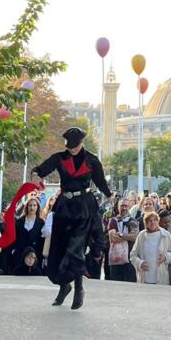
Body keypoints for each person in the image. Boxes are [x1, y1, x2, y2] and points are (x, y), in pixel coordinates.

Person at [30, 127, 113, 310]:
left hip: (83, 208)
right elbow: (40, 169)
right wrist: (35, 175)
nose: (72, 149)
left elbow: (100, 181)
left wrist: (109, 195)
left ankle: (79, 289)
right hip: (64, 208)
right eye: (70, 146)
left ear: (82, 142)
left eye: (75, 146)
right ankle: (64, 286)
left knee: (76, 250)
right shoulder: (59, 158)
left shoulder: (92, 160)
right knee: (59, 250)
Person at [130, 211, 171, 285]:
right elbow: (133, 255)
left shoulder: (165, 234)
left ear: (158, 221)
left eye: (155, 220)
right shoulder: (141, 235)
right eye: (150, 221)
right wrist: (140, 263)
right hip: (144, 279)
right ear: (146, 223)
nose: (153, 223)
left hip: (161, 279)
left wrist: (165, 257)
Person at [107, 198, 137, 282]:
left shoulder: (133, 221)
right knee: (116, 284)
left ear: (129, 207)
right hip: (116, 258)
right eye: (122, 206)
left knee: (130, 284)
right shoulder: (113, 220)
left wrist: (120, 234)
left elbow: (134, 237)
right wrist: (128, 236)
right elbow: (113, 238)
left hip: (130, 258)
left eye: (126, 206)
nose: (124, 208)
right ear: (118, 207)